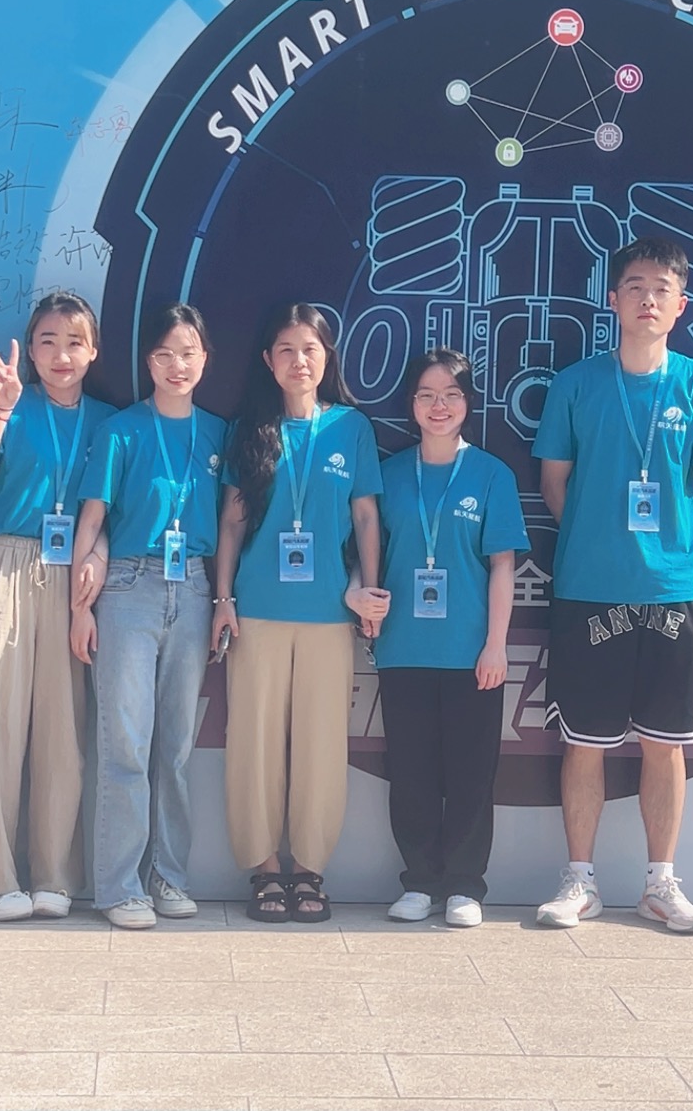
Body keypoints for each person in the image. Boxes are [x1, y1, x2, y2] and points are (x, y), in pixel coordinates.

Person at [530, 237, 693, 934]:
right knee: (584, 741)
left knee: (665, 742)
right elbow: (554, 484)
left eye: (662, 289)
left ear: (681, 306)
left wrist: (660, 542)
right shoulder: (576, 384)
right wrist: (602, 539)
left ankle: (660, 883)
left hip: (670, 589)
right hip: (588, 587)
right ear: (613, 299)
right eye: (636, 287)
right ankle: (579, 881)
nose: (648, 299)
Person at [212, 303, 385, 923]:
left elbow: (365, 516)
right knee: (254, 744)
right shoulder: (249, 429)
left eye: (310, 349)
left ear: (327, 356)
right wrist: (224, 599)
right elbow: (232, 524)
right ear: (268, 360)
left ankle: (309, 869)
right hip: (258, 611)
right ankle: (264, 869)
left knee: (320, 747)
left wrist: (370, 590)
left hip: (329, 614)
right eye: (285, 349)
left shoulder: (351, 428)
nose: (299, 361)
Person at [0, 292, 114, 921]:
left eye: (74, 342)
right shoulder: (7, 405)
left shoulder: (109, 422)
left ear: (94, 351)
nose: (61, 355)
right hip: (3, 561)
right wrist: (0, 407)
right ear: (31, 350)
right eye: (47, 341)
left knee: (63, 730)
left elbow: (114, 508)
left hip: (72, 574)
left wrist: (96, 558)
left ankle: (54, 874)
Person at [69, 304, 225, 930]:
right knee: (126, 746)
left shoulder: (219, 434)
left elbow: (233, 523)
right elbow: (91, 520)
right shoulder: (121, 430)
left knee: (176, 749)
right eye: (164, 355)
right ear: (147, 362)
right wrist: (80, 609)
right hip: (128, 588)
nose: (176, 366)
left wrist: (223, 600)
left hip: (194, 588)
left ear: (205, 359)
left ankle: (169, 877)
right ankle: (119, 887)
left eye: (187, 354)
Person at [362, 349, 528, 929]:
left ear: (468, 404)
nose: (439, 406)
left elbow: (502, 565)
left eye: (452, 395)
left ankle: (464, 886)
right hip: (403, 648)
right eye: (427, 395)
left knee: (470, 775)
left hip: (470, 653)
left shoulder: (490, 474)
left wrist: (496, 644)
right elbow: (366, 553)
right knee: (411, 773)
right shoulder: (387, 476)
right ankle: (419, 882)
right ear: (411, 404)